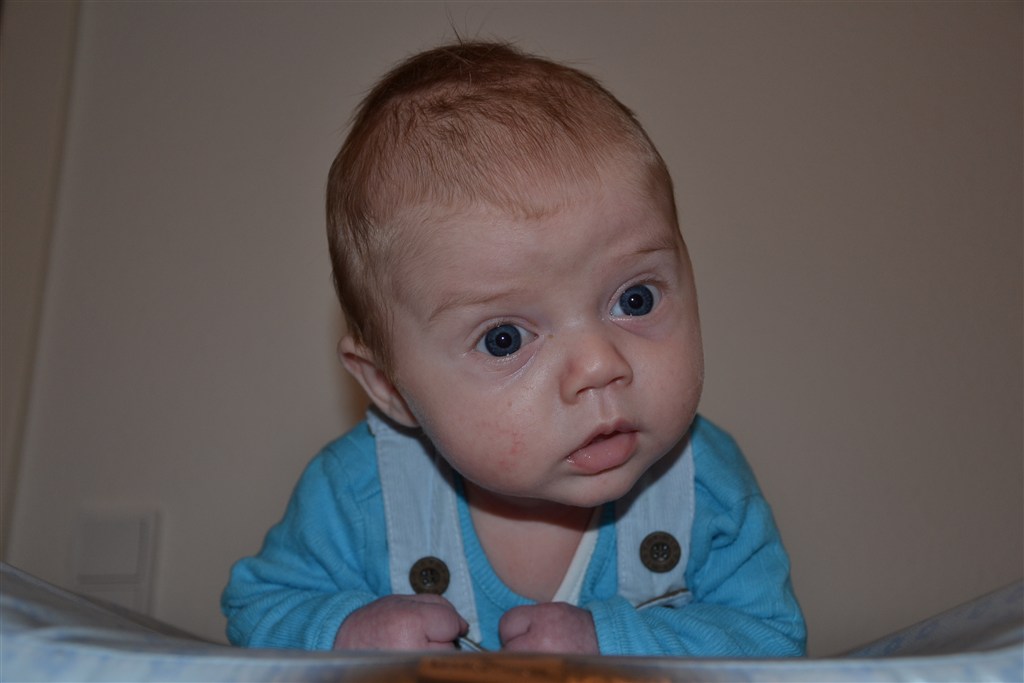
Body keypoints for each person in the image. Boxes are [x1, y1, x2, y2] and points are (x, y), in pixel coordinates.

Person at [221, 41, 806, 657]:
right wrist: (349, 633)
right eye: (504, 339)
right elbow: (258, 606)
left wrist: (614, 644)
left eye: (635, 300)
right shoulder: (360, 495)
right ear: (390, 387)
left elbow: (772, 641)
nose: (599, 365)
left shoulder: (703, 486)